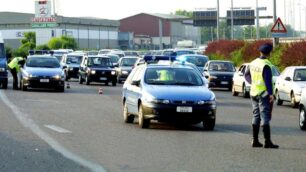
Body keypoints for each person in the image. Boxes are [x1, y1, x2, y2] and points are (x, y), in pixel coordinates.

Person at [244, 43, 279, 149]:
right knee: (265, 117)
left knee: (256, 115)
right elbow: (268, 81)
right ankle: (267, 142)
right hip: (263, 94)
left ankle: (255, 141)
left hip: (253, 92)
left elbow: (246, 75)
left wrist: (252, 82)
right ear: (269, 53)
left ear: (260, 52)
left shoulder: (253, 62)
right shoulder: (266, 65)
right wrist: (271, 94)